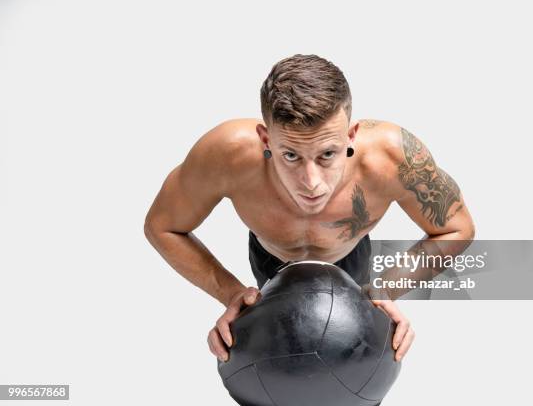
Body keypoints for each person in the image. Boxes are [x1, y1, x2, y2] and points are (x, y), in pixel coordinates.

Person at [144, 54, 475, 364]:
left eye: (327, 155)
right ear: (265, 139)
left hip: (349, 260)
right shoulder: (225, 153)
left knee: (350, 365)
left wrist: (385, 290)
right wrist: (230, 292)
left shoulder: (392, 156)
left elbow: (456, 228)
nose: (312, 183)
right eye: (291, 156)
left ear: (351, 136)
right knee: (276, 367)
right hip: (271, 261)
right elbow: (163, 226)